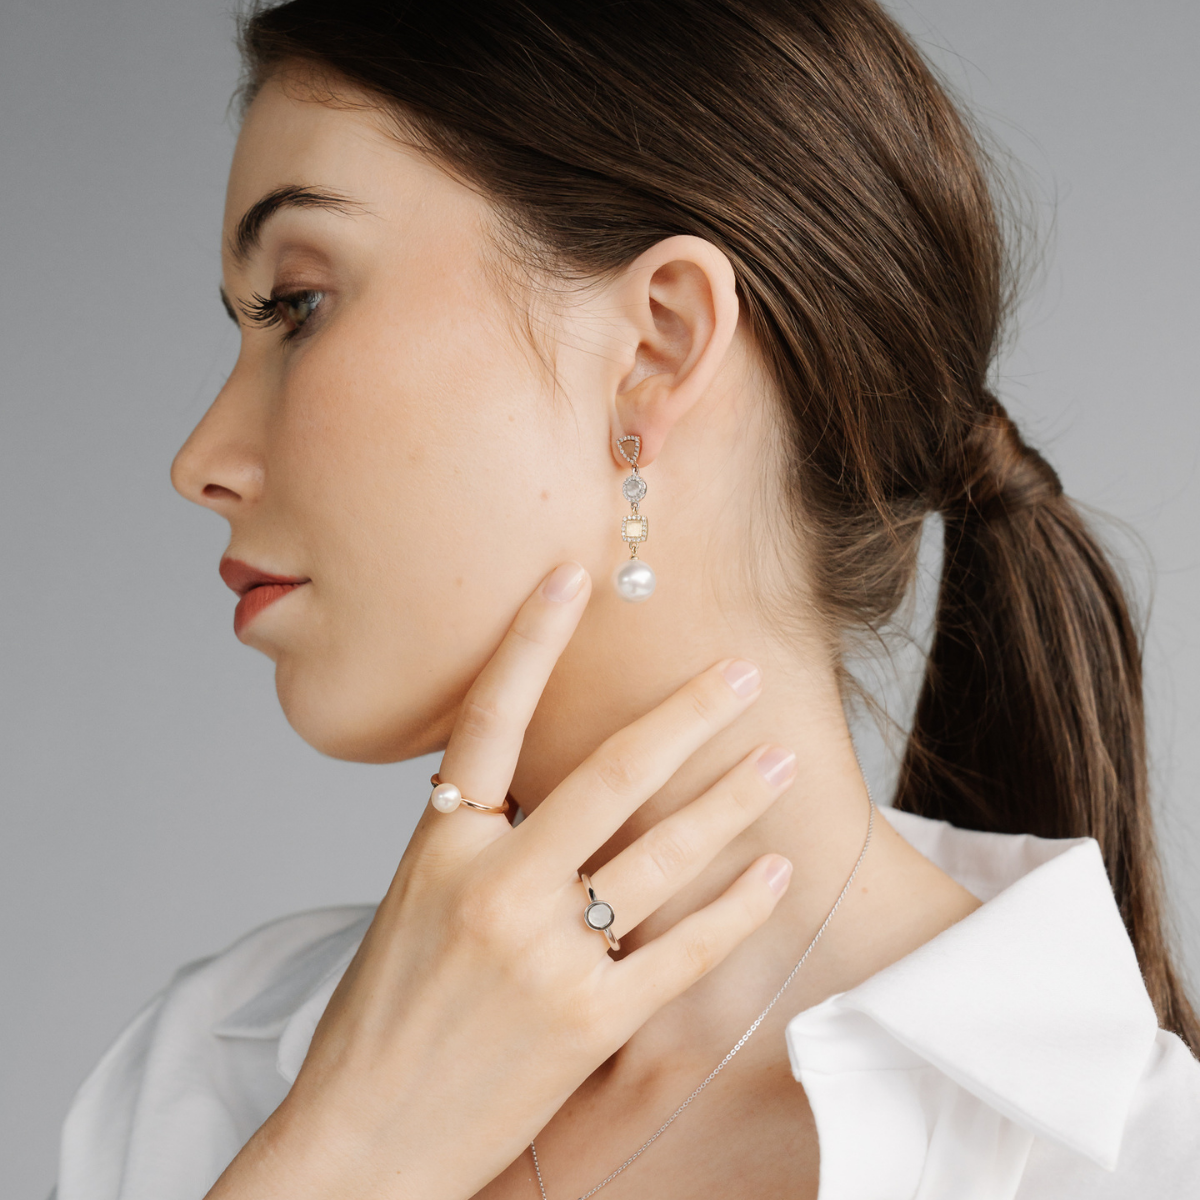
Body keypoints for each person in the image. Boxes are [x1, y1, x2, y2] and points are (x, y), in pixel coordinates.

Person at [54, 1, 1200, 1197]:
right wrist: (345, 1151)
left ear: (657, 343)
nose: (201, 461)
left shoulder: (1132, 1167)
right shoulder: (205, 1073)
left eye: (297, 305)